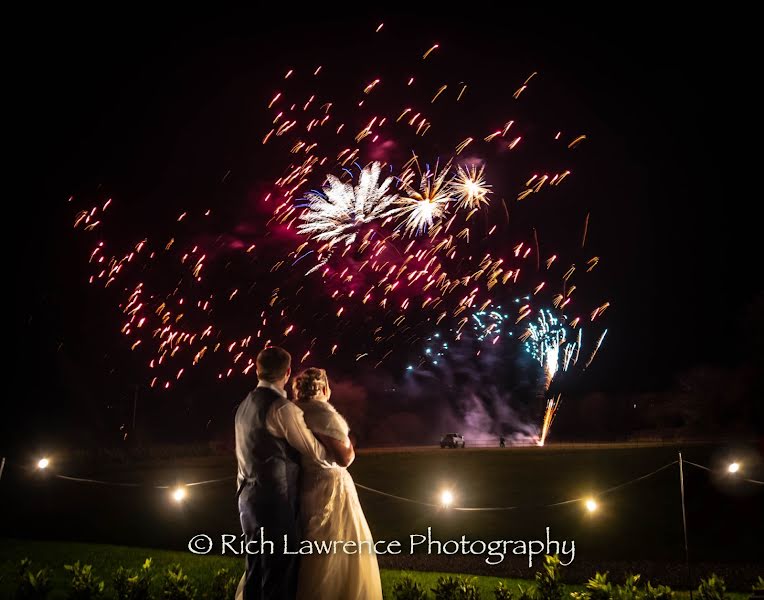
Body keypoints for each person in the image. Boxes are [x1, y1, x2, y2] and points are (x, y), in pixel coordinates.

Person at [234, 347, 329, 600]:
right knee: (280, 578)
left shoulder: (243, 406)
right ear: (287, 373)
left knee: (254, 572)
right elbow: (315, 451)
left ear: (257, 369)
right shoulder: (282, 409)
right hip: (276, 502)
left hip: (247, 501)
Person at [292, 367, 383, 600]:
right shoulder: (322, 414)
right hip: (330, 487)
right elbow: (344, 458)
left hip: (304, 484)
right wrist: (350, 446)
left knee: (309, 540)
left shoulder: (292, 412)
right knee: (337, 543)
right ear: (323, 388)